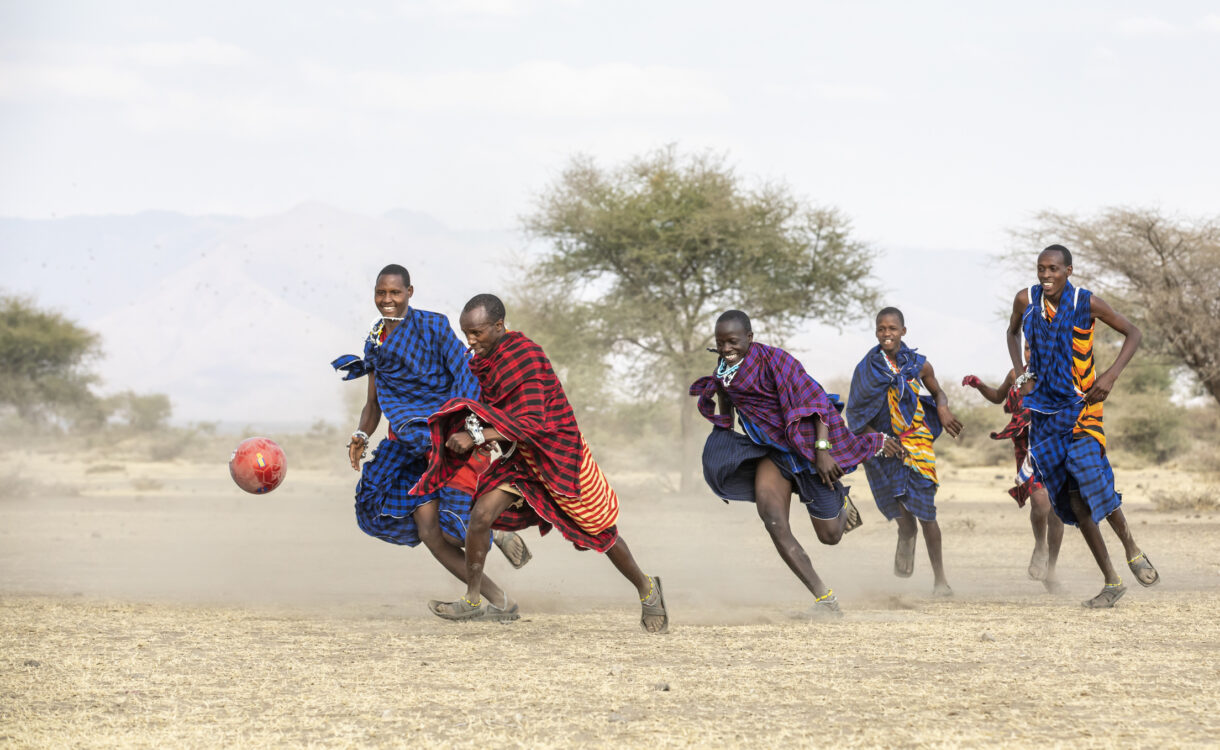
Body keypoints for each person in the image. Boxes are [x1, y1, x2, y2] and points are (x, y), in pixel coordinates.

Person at [410, 294, 669, 633]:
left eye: (477, 333)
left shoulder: (526, 357)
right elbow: (498, 412)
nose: (470, 342)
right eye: (466, 334)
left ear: (499, 326)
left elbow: (533, 421)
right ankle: (474, 600)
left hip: (556, 455)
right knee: (480, 517)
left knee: (597, 530)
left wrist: (477, 437)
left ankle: (648, 589)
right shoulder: (487, 360)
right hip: (519, 455)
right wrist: (476, 432)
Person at [330, 266, 531, 621]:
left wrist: (465, 426)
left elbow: (464, 372)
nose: (387, 300)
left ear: (409, 292)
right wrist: (362, 434)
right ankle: (501, 599)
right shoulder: (375, 343)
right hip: (407, 445)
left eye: (395, 293)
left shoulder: (433, 326)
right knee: (429, 531)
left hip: (444, 436)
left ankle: (491, 535)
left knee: (452, 520)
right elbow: (375, 403)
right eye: (381, 293)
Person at [689, 310, 904, 616]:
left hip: (807, 447)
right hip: (772, 454)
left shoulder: (777, 361)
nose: (726, 349)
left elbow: (816, 401)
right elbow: (726, 402)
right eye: (720, 342)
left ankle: (843, 505)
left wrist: (822, 450)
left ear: (749, 338)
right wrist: (721, 438)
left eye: (733, 342)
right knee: (773, 521)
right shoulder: (724, 370)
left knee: (830, 536)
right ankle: (825, 601)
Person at [1006, 244, 1159, 608]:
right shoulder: (1025, 300)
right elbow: (1011, 334)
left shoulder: (1086, 303)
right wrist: (1021, 374)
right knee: (1074, 502)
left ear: (1069, 271)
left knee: (1093, 480)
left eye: (1053, 269)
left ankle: (1132, 548)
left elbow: (1133, 333)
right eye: (1041, 268)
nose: (1046, 275)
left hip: (1082, 408)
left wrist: (1110, 375)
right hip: (1043, 415)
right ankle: (1111, 581)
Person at [847, 307, 962, 596]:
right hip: (885, 446)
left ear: (903, 332)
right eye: (881, 329)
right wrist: (879, 438)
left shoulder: (919, 365)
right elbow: (856, 415)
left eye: (892, 329)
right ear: (876, 332)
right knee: (897, 503)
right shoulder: (866, 368)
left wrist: (944, 409)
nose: (887, 334)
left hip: (916, 442)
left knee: (927, 511)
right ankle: (905, 532)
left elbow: (937, 392)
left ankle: (940, 581)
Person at [962, 358, 1065, 591]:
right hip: (1027, 446)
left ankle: (1051, 571)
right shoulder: (1015, 374)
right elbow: (998, 397)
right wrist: (979, 385)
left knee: (1058, 511)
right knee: (1040, 502)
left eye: (1035, 345)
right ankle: (1040, 545)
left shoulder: (1061, 371)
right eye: (1027, 346)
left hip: (1055, 443)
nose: (1030, 351)